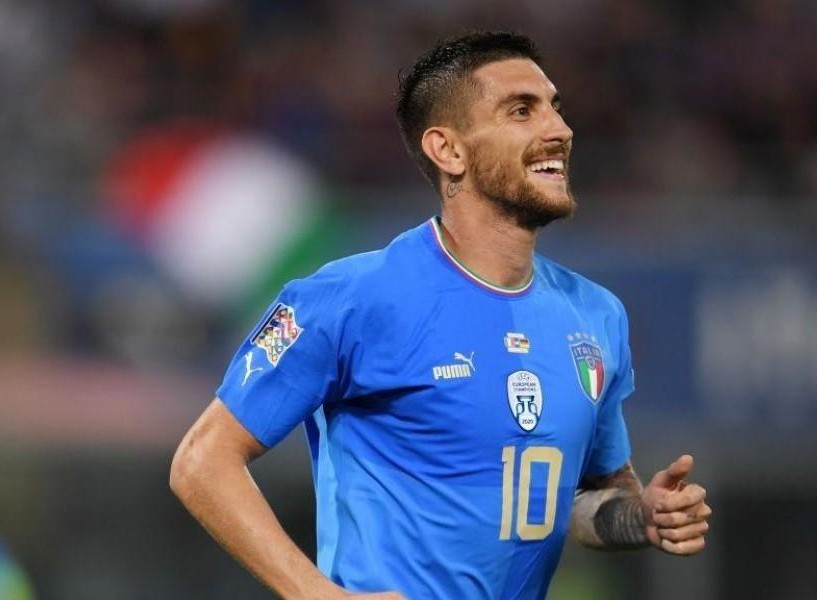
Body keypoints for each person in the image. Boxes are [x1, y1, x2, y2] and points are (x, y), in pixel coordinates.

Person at [170, 30, 711, 599]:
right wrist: (317, 594)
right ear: (448, 150)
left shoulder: (596, 315)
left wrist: (642, 518)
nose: (559, 130)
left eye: (556, 108)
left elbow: (579, 502)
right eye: (522, 111)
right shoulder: (351, 298)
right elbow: (203, 460)